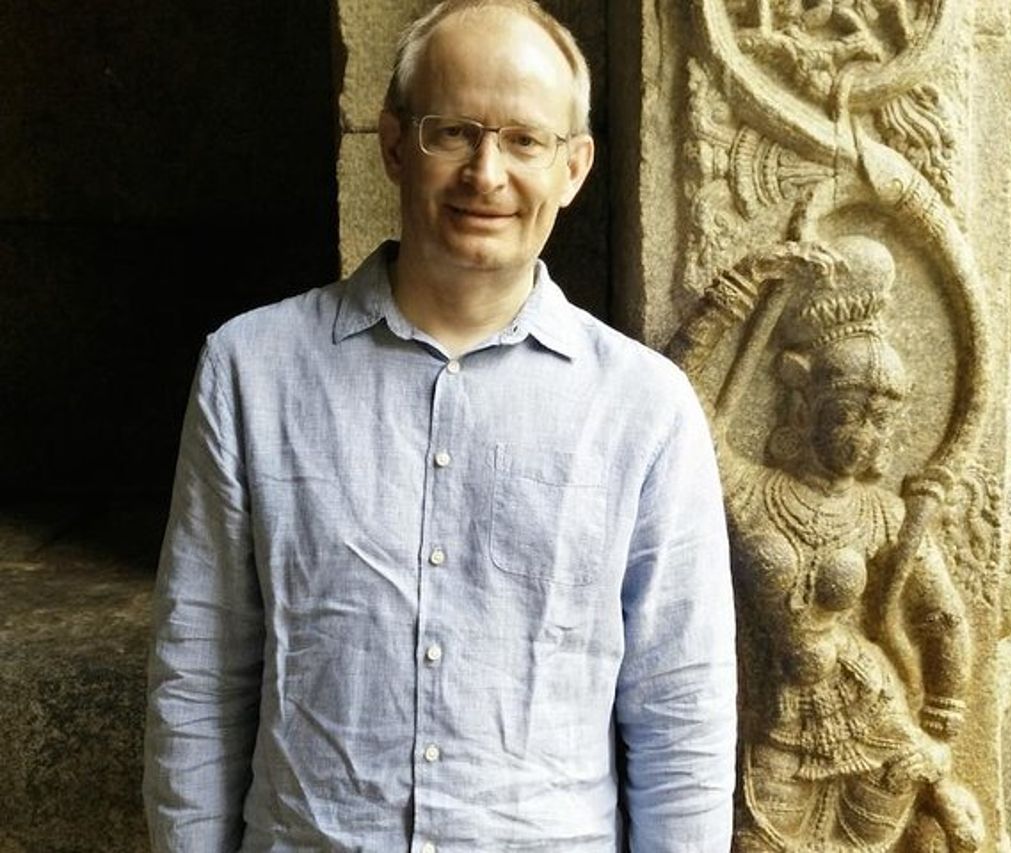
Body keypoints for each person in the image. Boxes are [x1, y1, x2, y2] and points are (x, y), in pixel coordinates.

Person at [142, 1, 737, 850]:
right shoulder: (250, 370)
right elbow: (199, 679)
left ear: (574, 168)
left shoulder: (646, 409)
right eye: (453, 131)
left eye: (525, 140)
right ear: (392, 144)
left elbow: (681, 714)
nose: (486, 173)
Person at [668, 237, 983, 851]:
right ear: (802, 402)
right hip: (776, 719)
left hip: (875, 715)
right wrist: (739, 287)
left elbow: (941, 618)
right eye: (845, 414)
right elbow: (674, 395)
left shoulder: (881, 514)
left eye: (878, 420)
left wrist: (941, 729)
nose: (861, 437)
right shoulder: (750, 493)